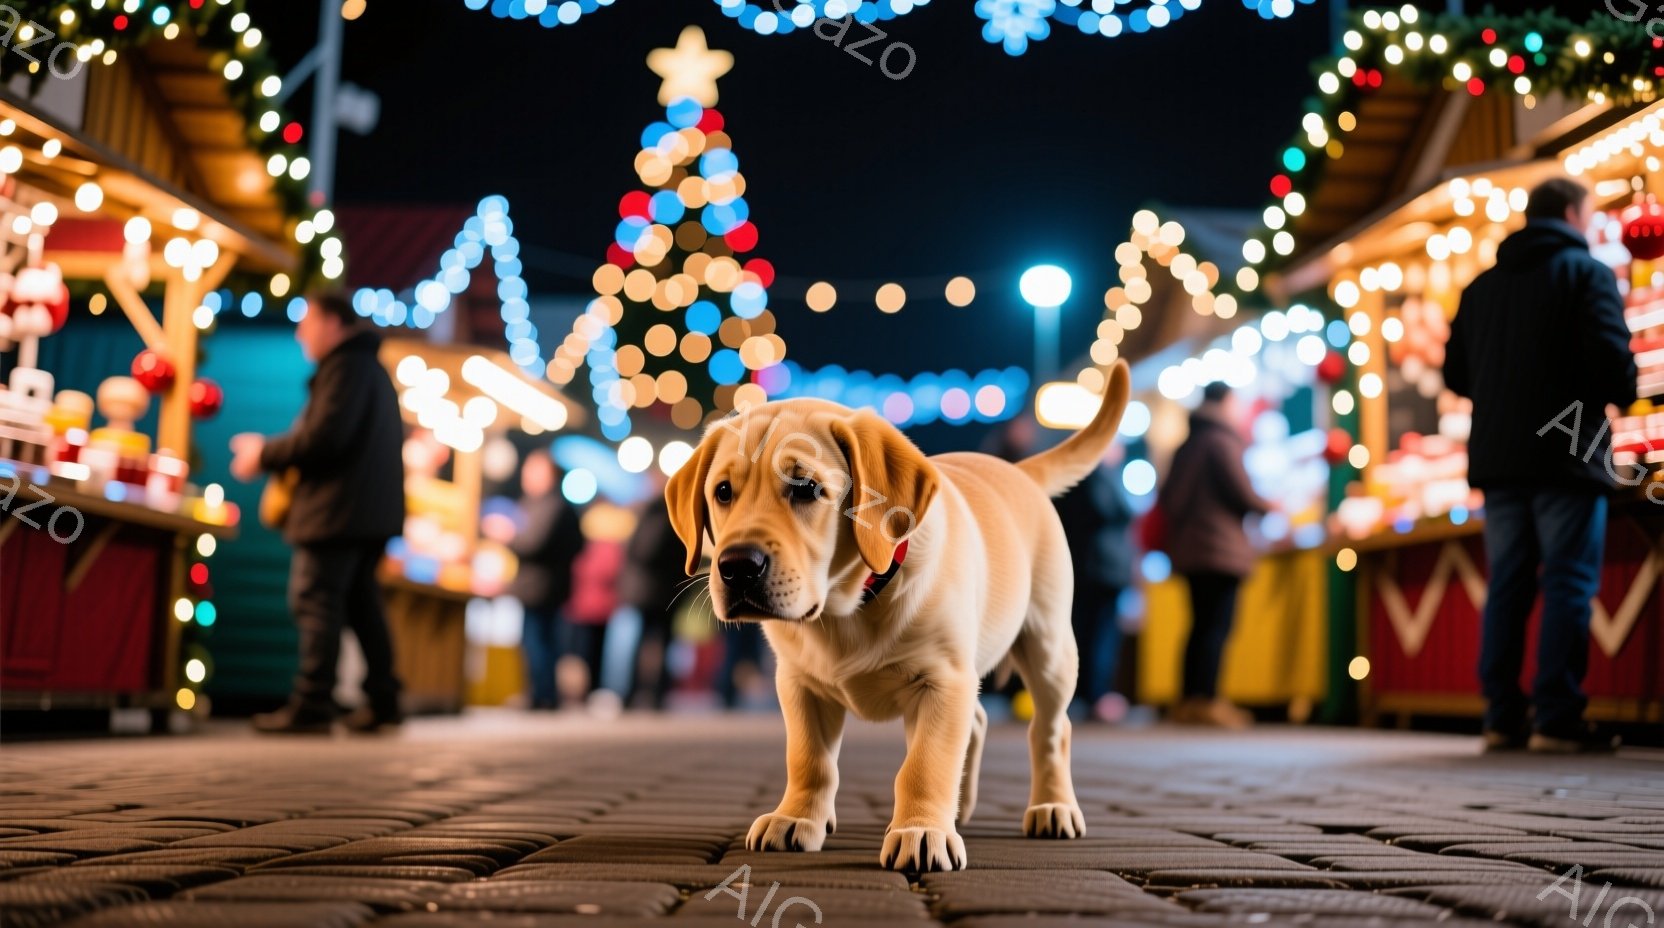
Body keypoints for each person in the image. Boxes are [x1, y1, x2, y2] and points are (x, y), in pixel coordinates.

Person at [1445, 177, 1638, 754]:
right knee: (1568, 579)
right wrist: (1619, 393)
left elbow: (1455, 376)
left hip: (1499, 457)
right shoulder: (1587, 274)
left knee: (1508, 583)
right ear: (1575, 214)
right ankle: (1556, 717)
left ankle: (1502, 717)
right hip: (1568, 449)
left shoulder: (1481, 287)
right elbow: (1611, 364)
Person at [230, 291, 406, 734]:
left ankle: (313, 704)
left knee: (315, 601)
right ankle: (384, 700)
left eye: (306, 321)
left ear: (332, 322)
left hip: (338, 511)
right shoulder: (369, 368)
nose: (299, 332)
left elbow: (325, 437)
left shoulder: (346, 367)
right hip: (368, 512)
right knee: (362, 605)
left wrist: (263, 453)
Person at [1157, 381, 1271, 729]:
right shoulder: (1221, 441)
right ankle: (1207, 700)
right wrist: (1269, 505)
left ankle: (1188, 700)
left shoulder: (1186, 444)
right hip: (1220, 550)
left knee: (1198, 626)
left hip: (1191, 550)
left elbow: (1168, 499)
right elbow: (1243, 494)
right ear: (1225, 402)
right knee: (1216, 627)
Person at [1054, 442, 1136, 721]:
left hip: (1088, 568)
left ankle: (1085, 694)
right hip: (1101, 569)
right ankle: (1096, 695)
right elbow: (1110, 512)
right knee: (1099, 634)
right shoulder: (1096, 476)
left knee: (1085, 631)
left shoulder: (1070, 477)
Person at [497, 451, 585, 710]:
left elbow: (534, 543)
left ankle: (542, 695)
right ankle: (542, 693)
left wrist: (507, 537)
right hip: (542, 586)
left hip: (540, 588)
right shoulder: (546, 505)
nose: (526, 476)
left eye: (532, 470)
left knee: (537, 643)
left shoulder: (552, 507)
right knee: (541, 641)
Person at [620, 479, 688, 709]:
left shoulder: (656, 512)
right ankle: (654, 692)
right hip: (664, 589)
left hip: (653, 589)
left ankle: (636, 692)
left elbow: (645, 549)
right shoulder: (678, 514)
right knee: (660, 642)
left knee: (644, 642)